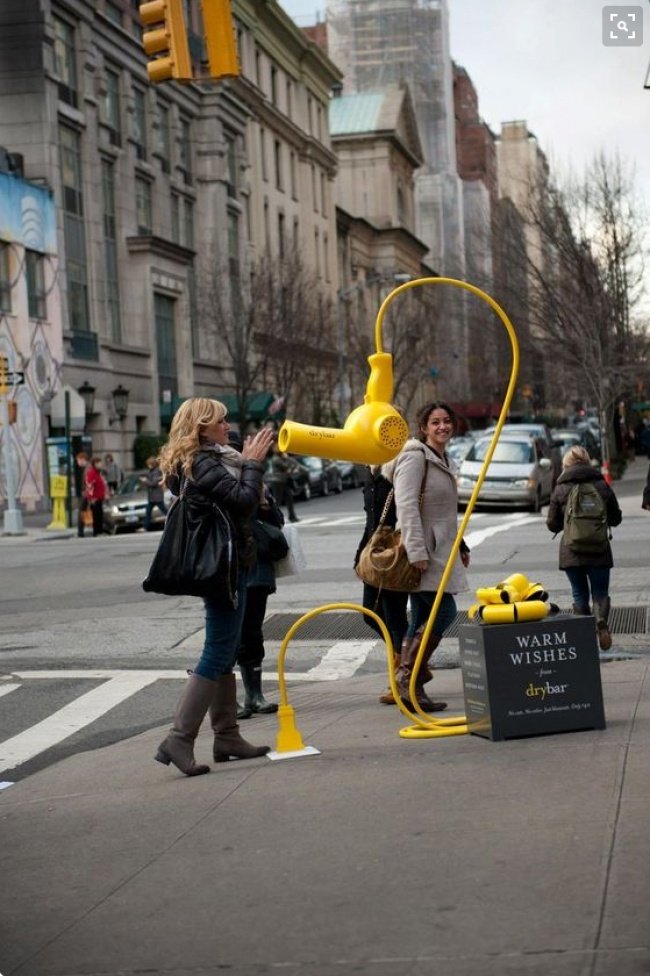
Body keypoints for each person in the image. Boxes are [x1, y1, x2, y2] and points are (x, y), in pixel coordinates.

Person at [154, 397, 275, 777]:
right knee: (217, 650)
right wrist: (253, 463)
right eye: (220, 421)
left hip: (229, 564)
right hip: (220, 568)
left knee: (225, 649)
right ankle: (179, 738)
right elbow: (241, 502)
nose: (227, 426)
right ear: (201, 427)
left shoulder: (212, 459)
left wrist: (250, 468)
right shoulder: (203, 462)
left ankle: (227, 736)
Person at [391, 401, 470, 711]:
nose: (442, 427)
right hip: (424, 552)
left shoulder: (442, 458)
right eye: (435, 422)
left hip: (440, 549)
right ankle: (408, 675)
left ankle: (411, 685)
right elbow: (406, 506)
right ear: (423, 428)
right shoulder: (414, 457)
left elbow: (446, 513)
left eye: (446, 421)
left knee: (421, 618)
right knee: (445, 611)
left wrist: (461, 546)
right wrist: (416, 551)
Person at [546, 445, 622, 651]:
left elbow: (552, 524)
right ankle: (601, 622)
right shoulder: (601, 485)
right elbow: (616, 518)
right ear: (588, 461)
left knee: (579, 594)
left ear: (566, 464)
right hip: (599, 550)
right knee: (600, 592)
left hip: (572, 552)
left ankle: (584, 639)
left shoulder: (560, 488)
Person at [228, 430, 282, 719]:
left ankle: (254, 694)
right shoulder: (221, 481)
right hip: (228, 567)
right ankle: (229, 699)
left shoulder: (256, 481)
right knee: (228, 634)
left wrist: (264, 503)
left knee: (252, 632)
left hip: (257, 568)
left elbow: (277, 522)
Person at [353, 464, 409, 704]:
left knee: (395, 618)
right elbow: (370, 522)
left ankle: (402, 677)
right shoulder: (370, 471)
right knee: (371, 614)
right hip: (374, 551)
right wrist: (359, 556)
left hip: (395, 551)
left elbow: (420, 509)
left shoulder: (399, 465)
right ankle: (409, 660)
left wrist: (460, 545)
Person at [269, 441, 300, 522]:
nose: (279, 448)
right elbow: (287, 467)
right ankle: (275, 518)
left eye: (279, 447)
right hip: (278, 482)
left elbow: (293, 466)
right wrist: (287, 459)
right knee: (277, 501)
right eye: (276, 447)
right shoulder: (276, 459)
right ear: (273, 449)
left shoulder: (282, 457)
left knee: (289, 498)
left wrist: (288, 462)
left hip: (284, 481)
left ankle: (292, 517)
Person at [140, 456, 167, 531]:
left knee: (164, 511)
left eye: (149, 464)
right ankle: (145, 527)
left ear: (152, 464)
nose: (148, 465)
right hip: (152, 497)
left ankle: (174, 522)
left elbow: (153, 483)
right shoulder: (152, 471)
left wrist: (145, 480)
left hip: (156, 496)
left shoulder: (156, 472)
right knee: (148, 512)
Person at [84, 456, 108, 537]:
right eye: (99, 463)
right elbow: (89, 486)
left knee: (100, 515)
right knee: (96, 515)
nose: (101, 465)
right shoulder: (91, 473)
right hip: (95, 498)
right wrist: (91, 498)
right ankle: (97, 532)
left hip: (100, 497)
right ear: (95, 464)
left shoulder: (98, 473)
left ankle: (100, 531)